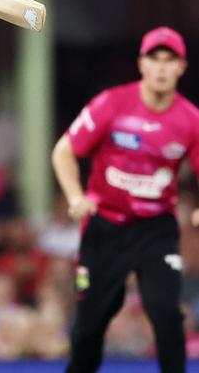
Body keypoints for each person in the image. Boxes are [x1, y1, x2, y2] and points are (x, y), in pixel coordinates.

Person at [51, 26, 199, 373]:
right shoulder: (111, 104)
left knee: (166, 315)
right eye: (154, 59)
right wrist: (75, 196)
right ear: (141, 65)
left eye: (170, 60)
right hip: (105, 226)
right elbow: (63, 152)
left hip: (155, 229)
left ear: (181, 67)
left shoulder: (190, 120)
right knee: (88, 327)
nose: (162, 68)